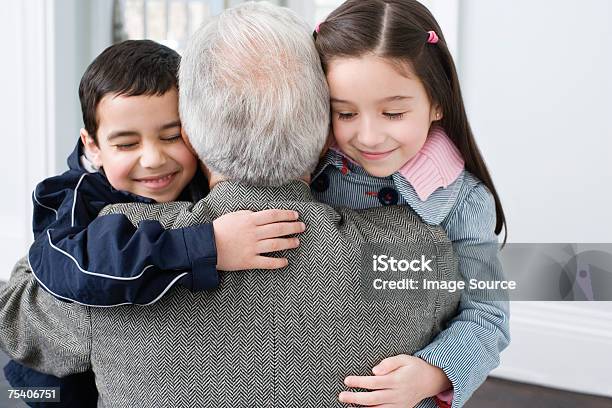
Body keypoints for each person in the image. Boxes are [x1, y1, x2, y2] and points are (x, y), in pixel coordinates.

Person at [0, 2, 461, 406]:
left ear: (192, 135)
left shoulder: (117, 245)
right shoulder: (419, 246)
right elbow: (484, 319)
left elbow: (13, 320)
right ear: (326, 132)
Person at [5, 39, 304, 407]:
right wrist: (207, 246)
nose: (153, 158)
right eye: (127, 144)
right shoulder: (75, 196)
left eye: (171, 136)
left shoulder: (201, 181)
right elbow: (73, 268)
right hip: (61, 388)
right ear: (93, 147)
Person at [311, 1, 510, 406]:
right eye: (345, 113)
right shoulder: (306, 175)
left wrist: (433, 372)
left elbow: (488, 316)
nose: (368, 136)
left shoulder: (463, 201)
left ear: (437, 102)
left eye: (394, 112)